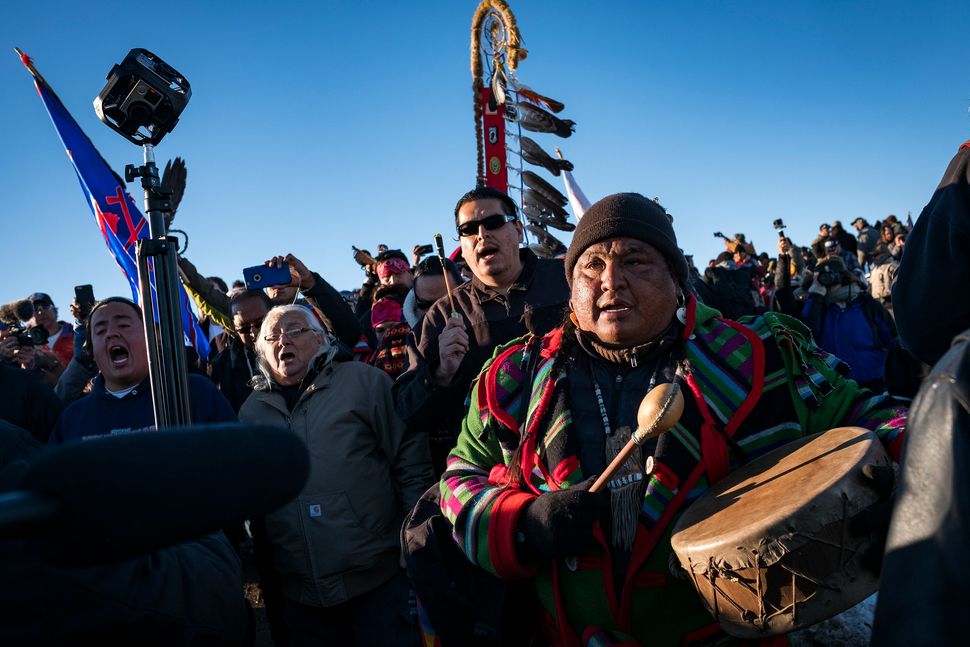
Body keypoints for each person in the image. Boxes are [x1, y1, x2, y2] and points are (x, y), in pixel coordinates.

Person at [437, 193, 906, 646]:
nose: (611, 281)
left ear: (676, 279)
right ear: (571, 287)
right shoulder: (515, 378)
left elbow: (876, 416)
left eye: (636, 261)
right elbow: (460, 476)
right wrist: (522, 525)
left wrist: (907, 479)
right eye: (591, 266)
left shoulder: (764, 356)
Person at [239, 305, 434, 646]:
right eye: (270, 336)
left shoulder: (364, 381)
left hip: (379, 581)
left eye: (295, 330)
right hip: (299, 597)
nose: (282, 340)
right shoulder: (251, 411)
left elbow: (410, 461)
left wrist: (414, 539)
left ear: (321, 338)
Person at [394, 186, 570, 464]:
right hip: (491, 473)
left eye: (493, 223)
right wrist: (440, 372)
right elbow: (410, 413)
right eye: (468, 229)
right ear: (462, 245)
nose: (482, 234)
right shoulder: (441, 316)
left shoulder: (568, 281)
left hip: (572, 454)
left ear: (517, 229)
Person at [48, 297, 236, 445]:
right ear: (91, 352)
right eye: (100, 330)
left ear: (152, 339)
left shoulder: (195, 393)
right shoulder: (73, 418)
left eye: (123, 325)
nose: (112, 333)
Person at [801, 256, 895, 392]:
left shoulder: (867, 304)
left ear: (843, 276)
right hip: (838, 387)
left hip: (875, 380)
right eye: (824, 278)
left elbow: (892, 340)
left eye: (833, 276)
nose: (829, 283)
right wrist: (815, 295)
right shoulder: (818, 309)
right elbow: (805, 335)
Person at [26, 292, 74, 367]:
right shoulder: (26, 343)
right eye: (34, 309)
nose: (40, 312)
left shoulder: (76, 333)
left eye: (45, 306)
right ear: (28, 318)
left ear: (54, 309)